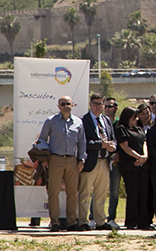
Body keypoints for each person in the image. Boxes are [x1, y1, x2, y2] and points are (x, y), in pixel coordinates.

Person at [38, 95, 86, 231]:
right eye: (63, 104)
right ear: (58, 106)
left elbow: (82, 142)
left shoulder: (78, 122)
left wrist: (81, 160)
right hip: (55, 159)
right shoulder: (50, 121)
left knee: (72, 193)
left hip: (72, 160)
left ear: (73, 105)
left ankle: (72, 222)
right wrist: (45, 158)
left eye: (68, 103)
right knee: (53, 192)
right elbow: (42, 140)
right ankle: (55, 223)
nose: (66, 106)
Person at [78, 93, 116, 231]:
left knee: (101, 193)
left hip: (105, 161)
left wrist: (113, 147)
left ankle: (100, 221)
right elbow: (83, 142)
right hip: (90, 162)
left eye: (101, 104)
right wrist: (101, 144)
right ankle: (82, 221)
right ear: (90, 104)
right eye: (95, 104)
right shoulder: (84, 120)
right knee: (85, 193)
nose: (98, 107)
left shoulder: (106, 120)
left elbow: (113, 138)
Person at [116, 107, 150, 230]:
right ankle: (131, 221)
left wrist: (144, 156)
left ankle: (143, 222)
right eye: (134, 117)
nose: (136, 119)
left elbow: (144, 142)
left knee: (143, 193)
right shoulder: (121, 129)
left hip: (142, 165)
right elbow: (125, 147)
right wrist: (138, 156)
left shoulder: (139, 128)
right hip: (130, 166)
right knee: (133, 193)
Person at [103, 97, 122, 229]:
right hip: (102, 159)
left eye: (111, 106)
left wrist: (118, 154)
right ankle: (94, 217)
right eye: (106, 106)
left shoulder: (120, 124)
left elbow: (123, 141)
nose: (108, 108)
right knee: (99, 189)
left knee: (114, 191)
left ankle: (111, 218)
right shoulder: (100, 121)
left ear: (116, 108)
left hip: (116, 161)